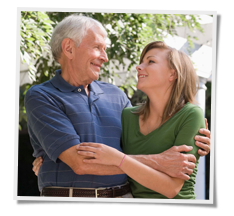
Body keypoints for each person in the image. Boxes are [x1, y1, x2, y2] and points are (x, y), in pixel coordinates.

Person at [26, 14, 210, 198]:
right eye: (98, 47)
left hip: (125, 198)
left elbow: (144, 142)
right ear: (69, 48)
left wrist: (197, 140)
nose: (105, 57)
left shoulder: (117, 96)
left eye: (104, 49)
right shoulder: (42, 96)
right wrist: (160, 161)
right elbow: (80, 163)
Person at [76, 41, 208, 199]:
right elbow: (97, 147)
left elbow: (171, 188)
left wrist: (118, 159)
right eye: (141, 62)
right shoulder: (127, 116)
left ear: (172, 74)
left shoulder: (191, 115)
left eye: (150, 61)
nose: (139, 67)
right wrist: (47, 159)